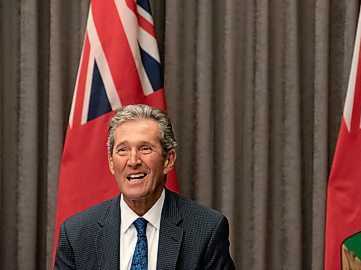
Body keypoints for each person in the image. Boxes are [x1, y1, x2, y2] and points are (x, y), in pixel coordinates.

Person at [55, 104, 235, 269]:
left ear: (168, 160)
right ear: (111, 162)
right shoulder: (76, 234)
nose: (133, 161)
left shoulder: (206, 230)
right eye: (123, 150)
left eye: (145, 148)